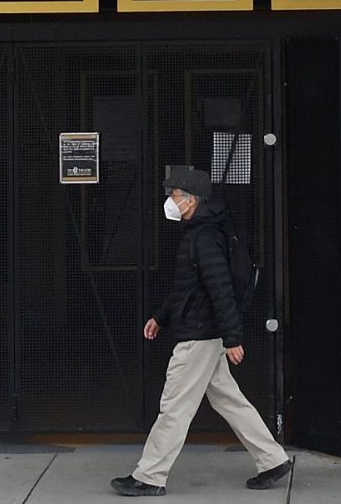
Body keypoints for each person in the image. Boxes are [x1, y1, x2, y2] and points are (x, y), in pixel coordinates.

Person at [112, 167, 292, 497]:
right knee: (230, 401)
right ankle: (273, 459)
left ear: (191, 200)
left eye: (174, 195)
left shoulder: (204, 238)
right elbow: (188, 288)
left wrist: (233, 338)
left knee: (174, 407)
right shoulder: (201, 233)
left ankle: (150, 476)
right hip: (205, 334)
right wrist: (161, 317)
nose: (170, 201)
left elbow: (220, 290)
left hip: (198, 337)